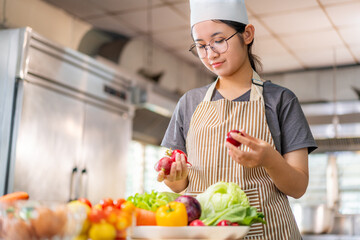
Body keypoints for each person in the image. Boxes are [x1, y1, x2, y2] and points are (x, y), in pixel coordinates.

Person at [157, 0, 317, 239]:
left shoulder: (281, 100)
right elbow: (181, 186)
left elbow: (298, 187)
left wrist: (269, 159)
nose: (210, 54)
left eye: (219, 40)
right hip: (205, 233)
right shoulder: (189, 103)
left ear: (247, 34)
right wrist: (174, 180)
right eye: (200, 46)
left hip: (269, 232)